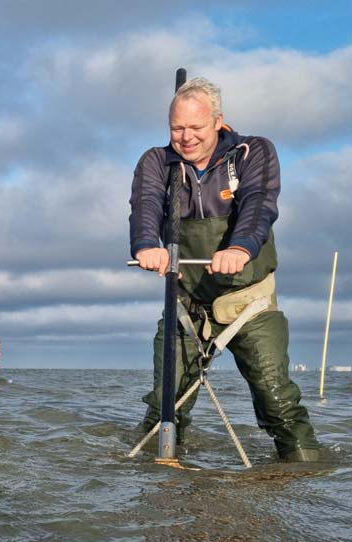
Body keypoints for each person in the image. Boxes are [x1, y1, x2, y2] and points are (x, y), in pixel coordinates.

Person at [128, 77, 320, 461]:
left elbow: (259, 205)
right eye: (177, 128)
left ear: (218, 121)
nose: (186, 137)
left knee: (276, 399)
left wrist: (238, 247)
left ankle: (303, 477)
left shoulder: (253, 152)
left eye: (196, 127)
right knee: (165, 405)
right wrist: (148, 245)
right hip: (186, 304)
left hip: (246, 300)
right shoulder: (156, 162)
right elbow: (146, 204)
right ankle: (157, 489)